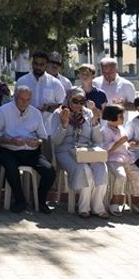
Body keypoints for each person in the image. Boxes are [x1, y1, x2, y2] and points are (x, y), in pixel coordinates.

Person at [0, 86, 56, 214]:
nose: (24, 103)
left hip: (31, 151)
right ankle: (20, 200)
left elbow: (43, 137)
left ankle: (40, 200)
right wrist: (12, 141)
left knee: (49, 171)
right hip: (10, 149)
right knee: (10, 167)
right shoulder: (3, 111)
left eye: (27, 100)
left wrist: (37, 142)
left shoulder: (35, 112)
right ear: (14, 97)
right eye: (21, 99)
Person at [52, 88, 108, 218]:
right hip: (65, 150)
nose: (78, 105)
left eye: (82, 101)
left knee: (101, 167)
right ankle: (84, 208)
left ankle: (97, 207)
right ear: (68, 99)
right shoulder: (59, 113)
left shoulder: (88, 113)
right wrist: (64, 124)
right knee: (84, 169)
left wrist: (95, 123)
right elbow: (56, 141)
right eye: (75, 101)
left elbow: (98, 139)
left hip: (86, 149)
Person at [100, 104, 139, 216]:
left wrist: (131, 144)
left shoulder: (120, 128)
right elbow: (105, 149)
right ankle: (115, 202)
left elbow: (125, 144)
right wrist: (120, 142)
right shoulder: (104, 130)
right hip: (113, 159)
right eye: (120, 116)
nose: (123, 119)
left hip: (127, 158)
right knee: (121, 176)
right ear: (112, 117)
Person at [14, 51, 66, 122]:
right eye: (36, 64)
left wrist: (49, 107)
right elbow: (14, 103)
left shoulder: (55, 83)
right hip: (26, 127)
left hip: (47, 128)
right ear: (32, 63)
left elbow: (64, 104)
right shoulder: (22, 81)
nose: (38, 67)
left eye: (41, 64)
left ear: (46, 65)